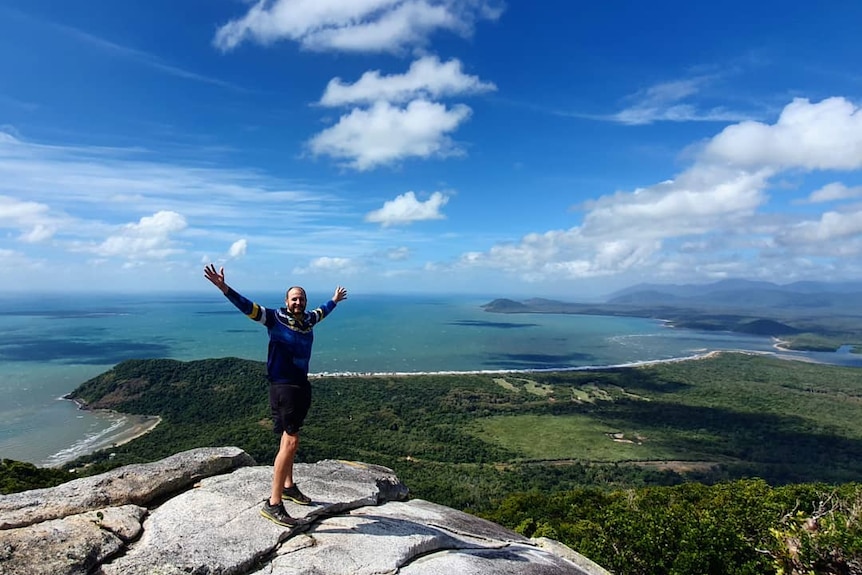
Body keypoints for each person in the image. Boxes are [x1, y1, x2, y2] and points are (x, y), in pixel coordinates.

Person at [204, 263, 348, 527]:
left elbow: (322, 312)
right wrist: (224, 288)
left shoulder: (307, 320)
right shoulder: (274, 318)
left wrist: (334, 301)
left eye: (301, 298)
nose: (298, 302)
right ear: (286, 301)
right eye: (294, 298)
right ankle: (274, 504)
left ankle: (289, 486)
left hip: (300, 384)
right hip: (284, 387)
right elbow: (247, 306)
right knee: (291, 443)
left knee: (289, 438)